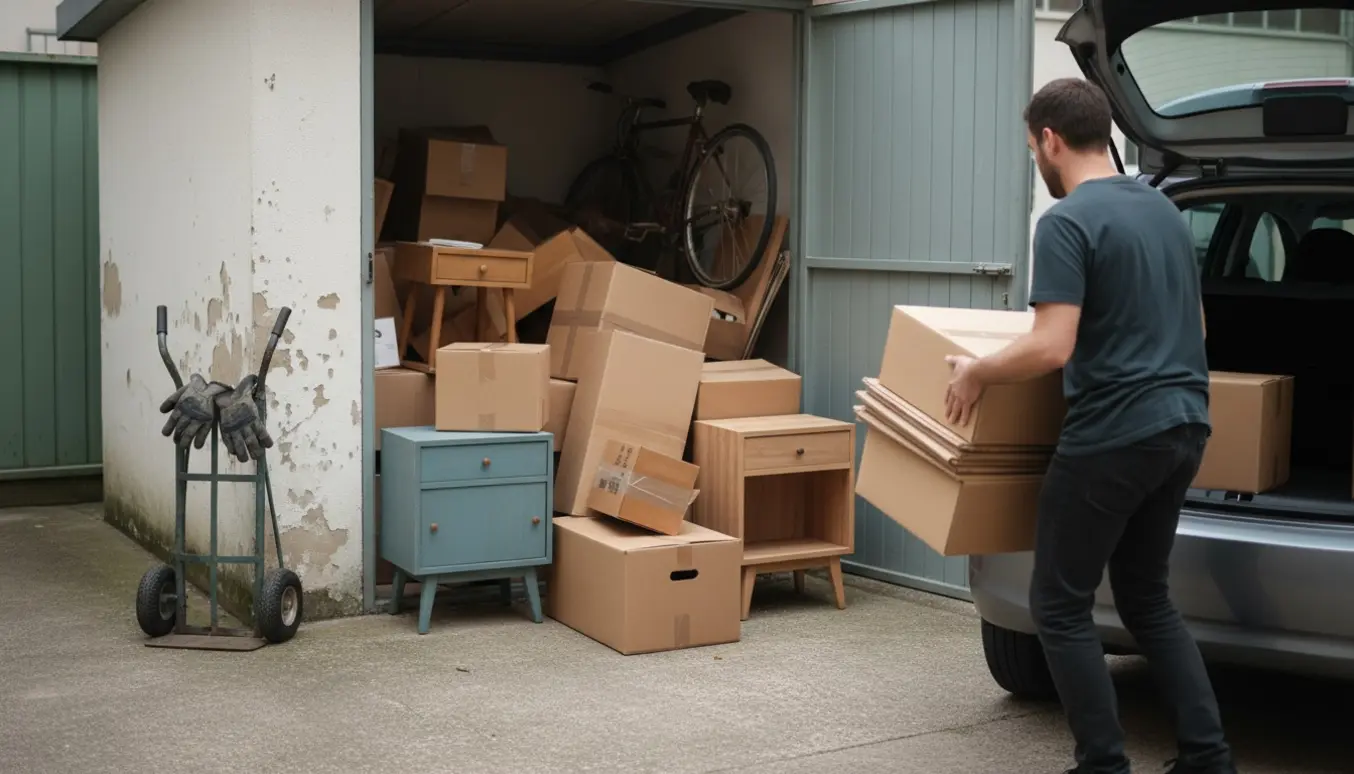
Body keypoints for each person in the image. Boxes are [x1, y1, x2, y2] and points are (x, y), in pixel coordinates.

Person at [942, 78, 1235, 774]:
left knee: (1060, 605)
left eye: (1031, 150)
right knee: (1146, 598)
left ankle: (1101, 763)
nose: (1036, 166)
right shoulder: (1164, 212)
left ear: (1049, 140)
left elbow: (1052, 344)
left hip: (1112, 437)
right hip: (1184, 428)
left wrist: (978, 372)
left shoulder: (1067, 222)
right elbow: (1195, 326)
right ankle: (1208, 758)